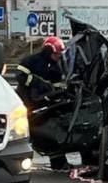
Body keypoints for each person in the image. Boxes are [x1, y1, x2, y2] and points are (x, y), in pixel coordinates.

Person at [16, 36, 69, 170]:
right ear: (48, 50)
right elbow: (20, 77)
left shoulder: (56, 67)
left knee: (51, 133)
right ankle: (18, 163)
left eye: (59, 54)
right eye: (56, 54)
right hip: (26, 103)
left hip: (44, 105)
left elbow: (57, 86)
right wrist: (37, 83)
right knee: (22, 133)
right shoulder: (31, 61)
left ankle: (58, 163)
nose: (58, 57)